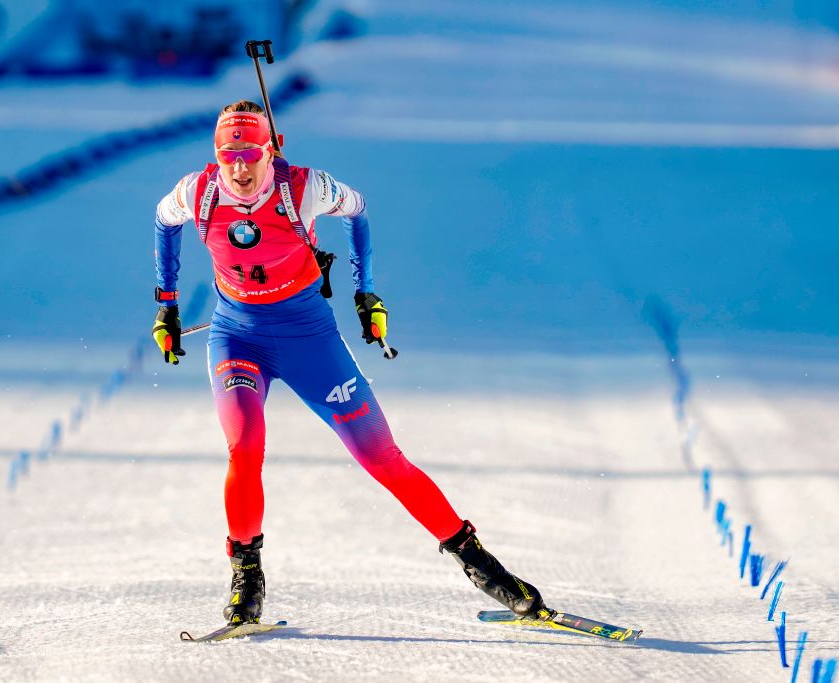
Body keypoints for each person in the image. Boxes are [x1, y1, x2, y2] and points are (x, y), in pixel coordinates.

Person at [151, 100, 547, 626]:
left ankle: (483, 567)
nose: (241, 168)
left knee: (381, 458)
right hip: (236, 337)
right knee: (244, 448)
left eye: (250, 153)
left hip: (308, 336)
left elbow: (358, 210)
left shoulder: (304, 189)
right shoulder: (198, 193)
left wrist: (366, 293)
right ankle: (247, 578)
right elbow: (163, 221)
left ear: (272, 149)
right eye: (229, 155)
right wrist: (167, 305)